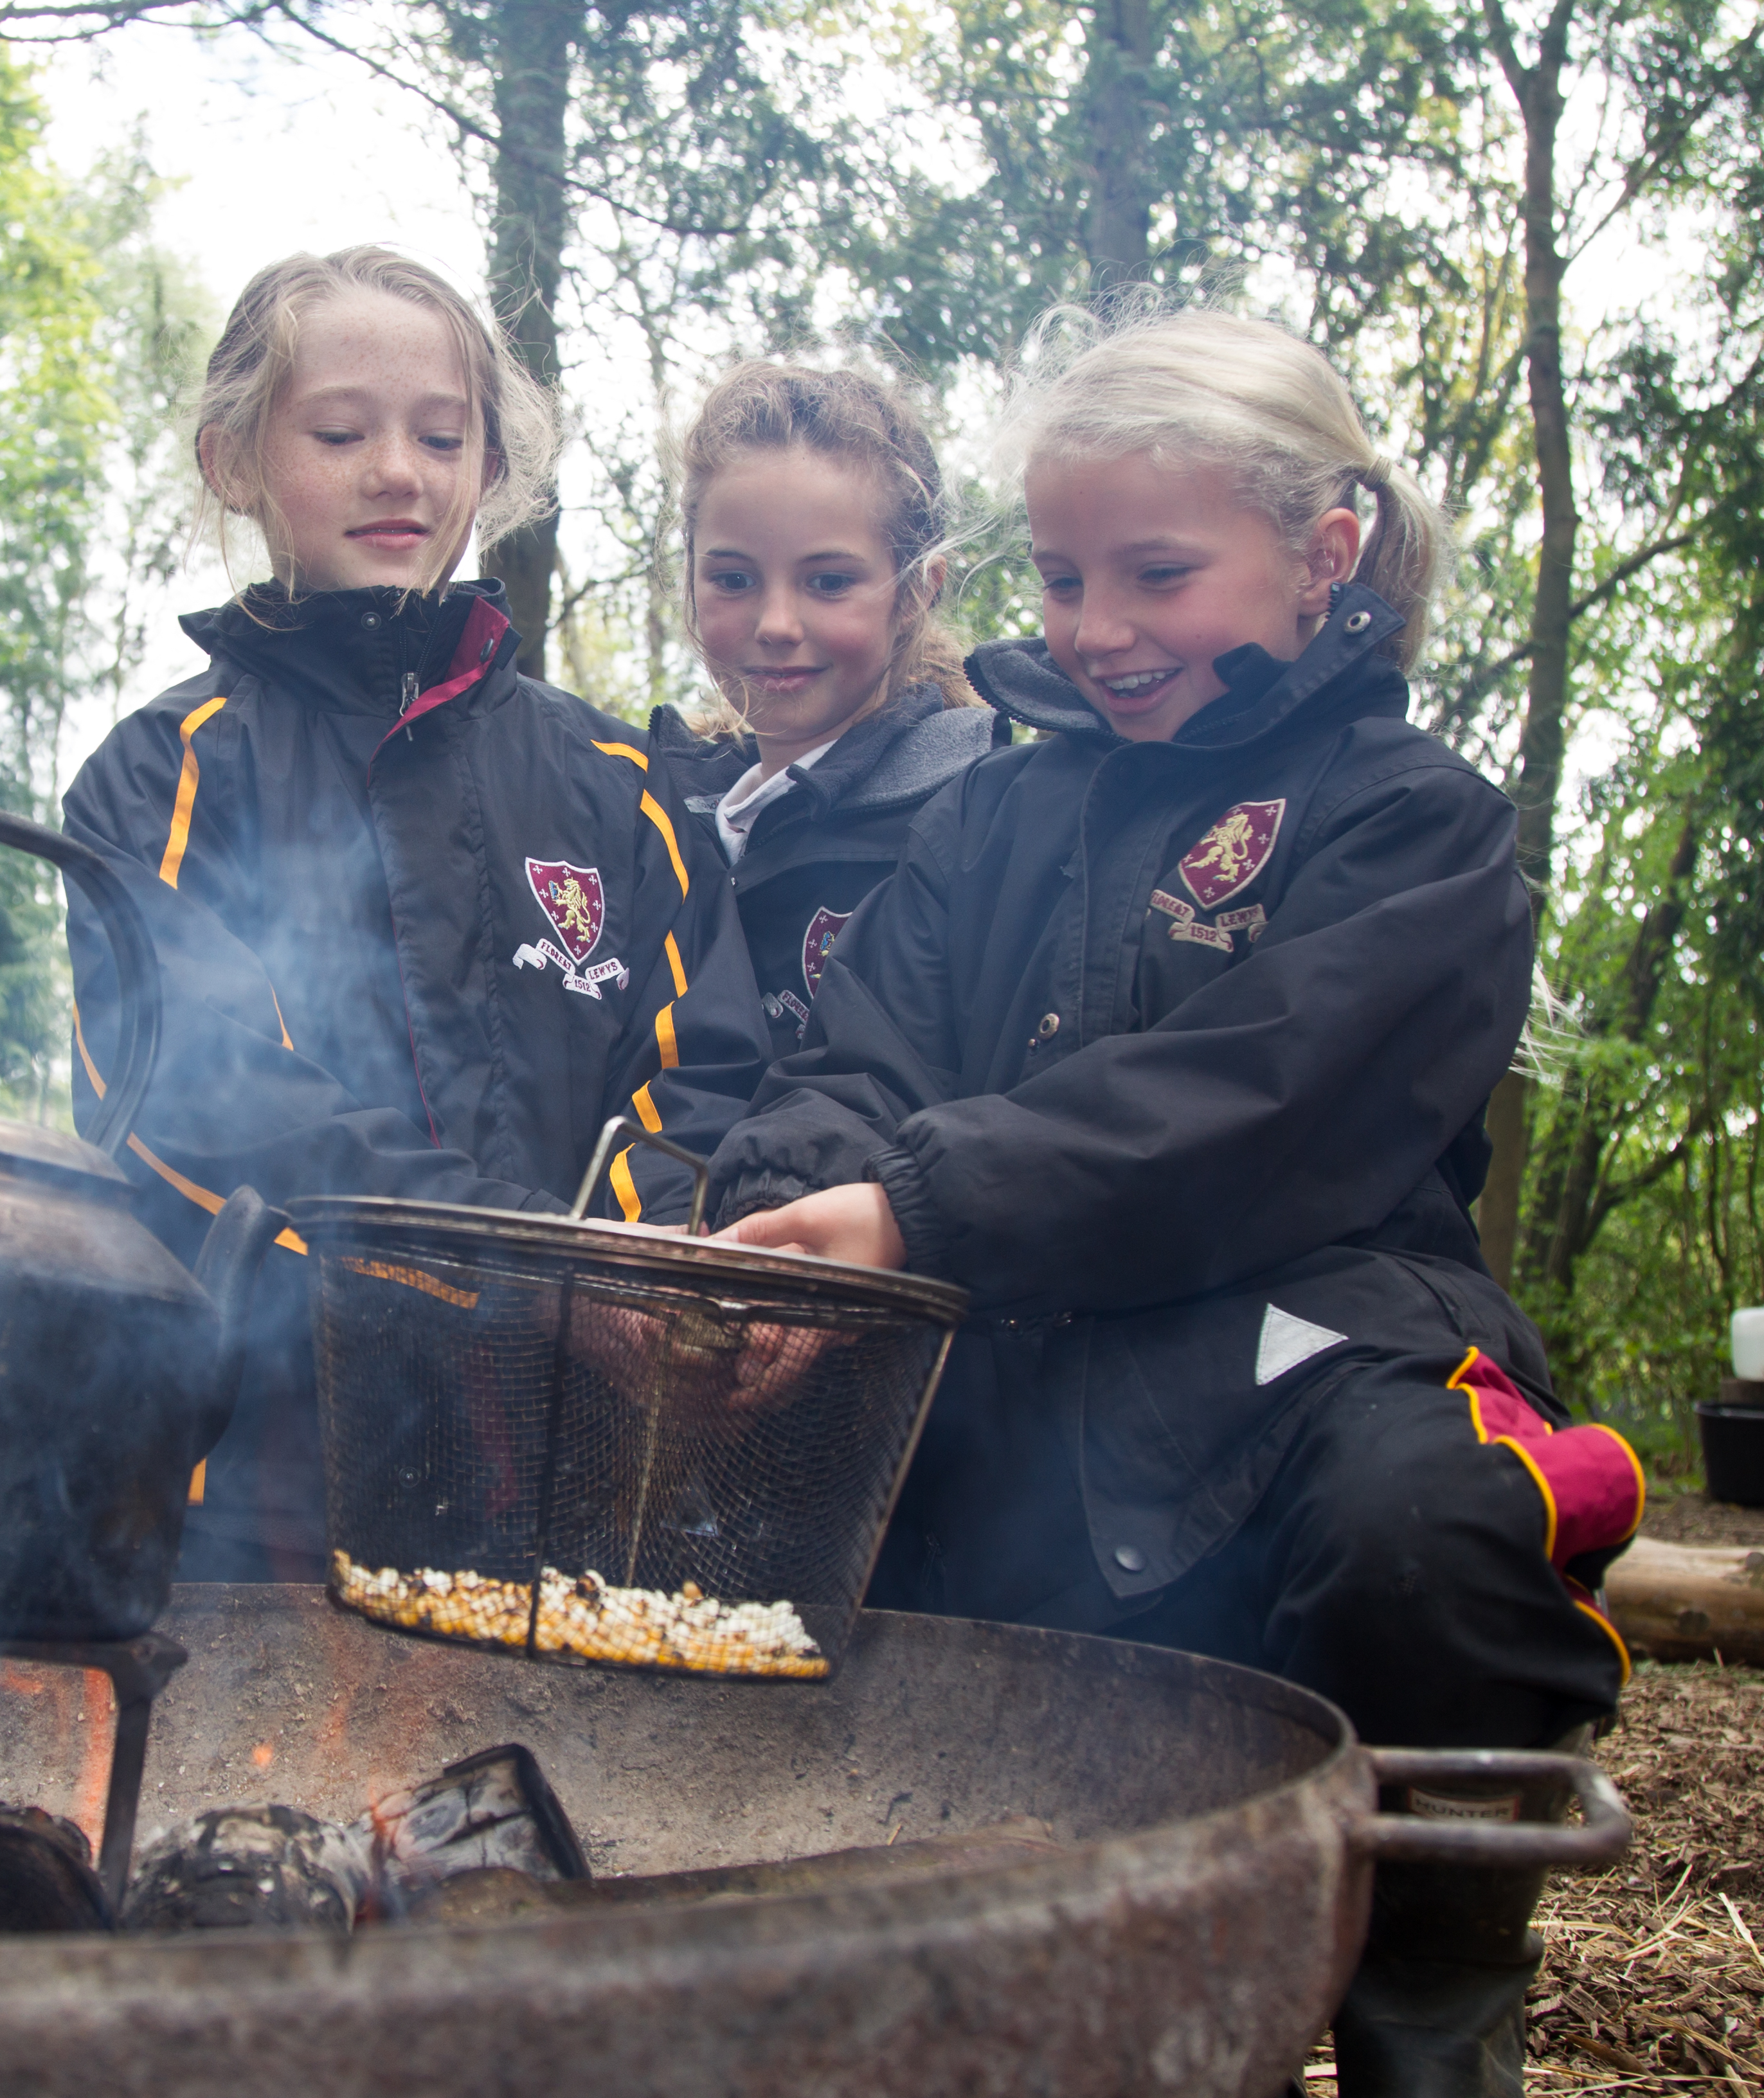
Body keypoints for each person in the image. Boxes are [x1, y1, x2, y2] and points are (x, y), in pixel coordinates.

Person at [703, 305, 1644, 2095]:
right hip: (1005, 1364)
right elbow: (855, 1063)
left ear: (1325, 553)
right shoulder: (990, 819)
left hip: (1308, 1353)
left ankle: (1428, 2022)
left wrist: (920, 1211)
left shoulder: (1416, 820)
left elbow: (1269, 1097)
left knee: (1432, 1524)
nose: (1098, 629)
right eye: (1064, 576)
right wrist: (768, 1230)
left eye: (1157, 571)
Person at [60, 247, 769, 1588]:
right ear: (235, 462)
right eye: (341, 432)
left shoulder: (617, 786)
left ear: (489, 466)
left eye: (443, 435)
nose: (399, 470)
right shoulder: (165, 774)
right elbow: (192, 1096)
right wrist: (531, 1270)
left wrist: (625, 1276)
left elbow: (701, 1073)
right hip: (252, 1479)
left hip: (578, 1474)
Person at [646, 364, 1002, 1058]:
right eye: (734, 579)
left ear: (917, 593)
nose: (777, 622)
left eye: (829, 582)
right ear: (688, 579)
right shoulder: (651, 817)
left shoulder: (977, 820)